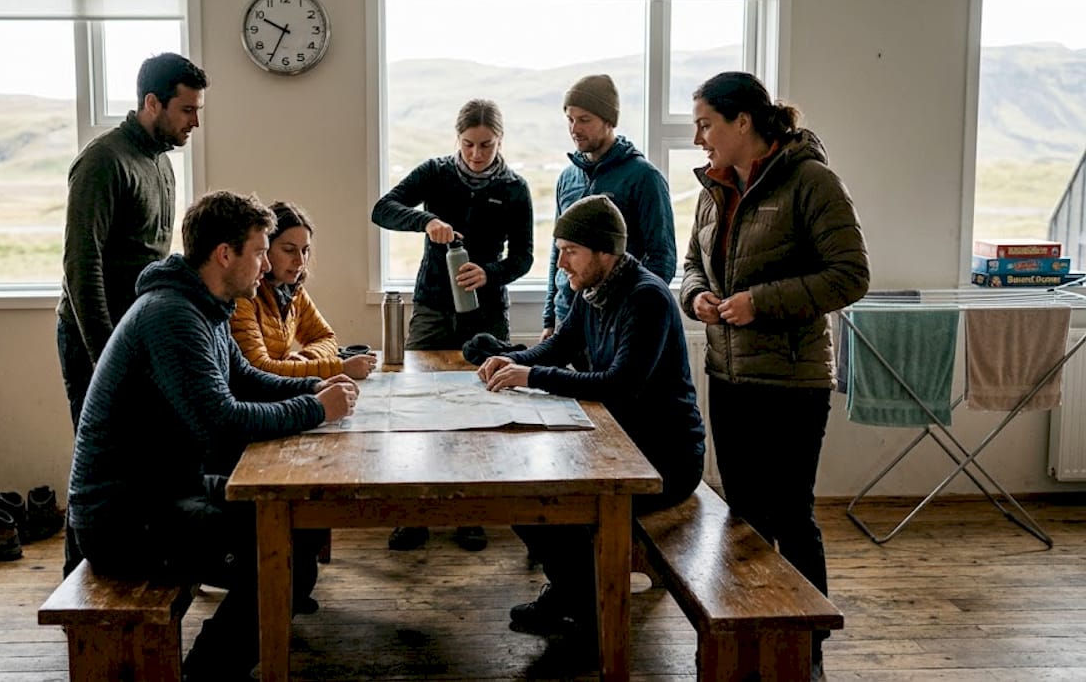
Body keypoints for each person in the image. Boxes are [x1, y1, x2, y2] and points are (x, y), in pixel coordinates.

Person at [65, 191, 360, 682]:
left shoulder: (206, 305)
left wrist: (314, 386)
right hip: (124, 517)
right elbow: (221, 423)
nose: (265, 265)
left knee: (297, 527)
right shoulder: (172, 316)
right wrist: (314, 409)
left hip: (167, 487)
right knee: (279, 558)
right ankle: (207, 675)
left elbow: (246, 379)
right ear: (225, 254)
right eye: (260, 252)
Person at [680, 71, 870, 682]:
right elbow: (691, 264)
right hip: (728, 374)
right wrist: (697, 298)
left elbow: (850, 275)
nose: (698, 138)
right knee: (743, 514)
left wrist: (760, 302)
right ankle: (750, 638)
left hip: (792, 381)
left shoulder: (811, 182)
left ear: (743, 122)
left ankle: (806, 648)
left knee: (790, 514)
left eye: (706, 124)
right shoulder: (713, 188)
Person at [478, 194, 706, 636]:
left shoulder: (646, 298)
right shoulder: (593, 289)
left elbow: (619, 383)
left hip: (664, 459)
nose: (561, 263)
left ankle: (587, 610)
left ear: (606, 251)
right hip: (616, 443)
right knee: (524, 496)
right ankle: (578, 596)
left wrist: (532, 375)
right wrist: (514, 361)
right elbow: (560, 345)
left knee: (549, 506)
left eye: (571, 251)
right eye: (560, 250)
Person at [371, 98, 535, 553]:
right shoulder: (435, 173)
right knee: (414, 404)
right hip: (432, 305)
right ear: (457, 139)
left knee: (483, 409)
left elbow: (524, 257)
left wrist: (490, 273)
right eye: (468, 144)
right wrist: (426, 221)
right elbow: (382, 209)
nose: (476, 154)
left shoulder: (515, 188)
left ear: (500, 141)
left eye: (486, 145)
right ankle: (414, 514)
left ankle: (471, 515)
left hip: (486, 312)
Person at [56, 52, 208, 430]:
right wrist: (106, 354)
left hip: (140, 330)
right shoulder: (103, 162)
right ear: (152, 103)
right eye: (187, 110)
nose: (195, 122)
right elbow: (81, 263)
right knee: (104, 451)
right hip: (98, 338)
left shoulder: (162, 161)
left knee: (144, 449)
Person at [542, 74, 677, 341]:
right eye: (570, 119)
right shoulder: (567, 178)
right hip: (567, 319)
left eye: (584, 120)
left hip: (616, 321)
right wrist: (550, 318)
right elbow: (557, 252)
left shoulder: (644, 177)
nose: (575, 129)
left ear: (609, 121)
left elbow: (662, 257)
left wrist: (633, 312)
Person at [232, 201, 378, 381]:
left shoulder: (293, 291)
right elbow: (258, 369)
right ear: (265, 249)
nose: (300, 261)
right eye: (289, 250)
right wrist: (340, 368)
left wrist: (306, 359)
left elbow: (326, 337)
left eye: (305, 250)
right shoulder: (244, 294)